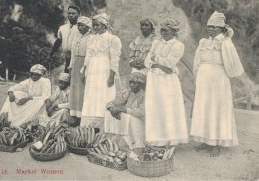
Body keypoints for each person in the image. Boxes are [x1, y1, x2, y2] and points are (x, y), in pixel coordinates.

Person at [190, 11, 244, 157]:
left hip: (218, 80)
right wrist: (198, 76)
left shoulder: (225, 42)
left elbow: (233, 65)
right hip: (204, 79)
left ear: (221, 28)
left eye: (214, 27)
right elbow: (197, 61)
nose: (210, 29)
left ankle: (217, 143)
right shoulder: (204, 42)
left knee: (217, 109)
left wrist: (223, 74)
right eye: (209, 26)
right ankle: (206, 139)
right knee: (204, 108)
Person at [144, 18, 188, 147]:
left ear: (174, 31)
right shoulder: (156, 43)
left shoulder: (178, 45)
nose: (163, 33)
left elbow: (170, 63)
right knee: (155, 107)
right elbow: (147, 61)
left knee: (168, 107)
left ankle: (170, 139)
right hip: (154, 79)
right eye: (161, 30)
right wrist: (157, 65)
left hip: (168, 81)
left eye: (166, 30)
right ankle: (157, 139)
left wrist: (155, 60)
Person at [80, 13, 122, 132]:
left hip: (104, 69)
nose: (96, 28)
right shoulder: (92, 38)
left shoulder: (113, 39)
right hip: (92, 69)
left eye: (98, 25)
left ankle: (104, 125)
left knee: (104, 94)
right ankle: (89, 126)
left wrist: (111, 75)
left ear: (105, 25)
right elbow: (88, 56)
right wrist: (84, 71)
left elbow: (115, 59)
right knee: (91, 95)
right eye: (94, 26)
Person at [104, 72, 146, 150]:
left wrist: (121, 109)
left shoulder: (145, 95)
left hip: (141, 122)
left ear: (141, 84)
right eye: (130, 82)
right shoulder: (128, 93)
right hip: (128, 120)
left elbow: (141, 112)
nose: (132, 85)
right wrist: (112, 109)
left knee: (128, 117)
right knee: (108, 113)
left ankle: (134, 144)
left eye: (135, 83)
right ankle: (113, 141)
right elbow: (112, 102)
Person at [69, 16, 92, 125]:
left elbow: (90, 54)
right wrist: (71, 66)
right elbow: (73, 54)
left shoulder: (91, 37)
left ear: (88, 26)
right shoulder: (76, 36)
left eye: (82, 25)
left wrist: (86, 69)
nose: (80, 27)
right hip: (76, 64)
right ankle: (75, 117)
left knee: (83, 90)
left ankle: (83, 117)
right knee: (75, 90)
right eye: (78, 25)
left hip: (85, 64)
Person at [49, 5, 81, 73]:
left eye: (73, 13)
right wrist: (51, 54)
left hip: (78, 58)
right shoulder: (63, 28)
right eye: (69, 13)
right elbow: (59, 41)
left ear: (79, 14)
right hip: (67, 58)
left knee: (76, 79)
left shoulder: (82, 28)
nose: (71, 15)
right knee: (65, 78)